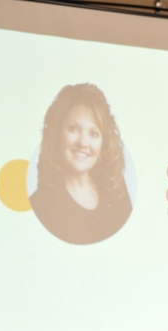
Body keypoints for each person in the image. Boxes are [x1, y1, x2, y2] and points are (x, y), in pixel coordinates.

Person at [30, 83, 133, 244]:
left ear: (103, 143)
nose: (83, 143)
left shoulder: (115, 187)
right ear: (57, 134)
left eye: (93, 133)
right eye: (73, 129)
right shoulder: (41, 204)